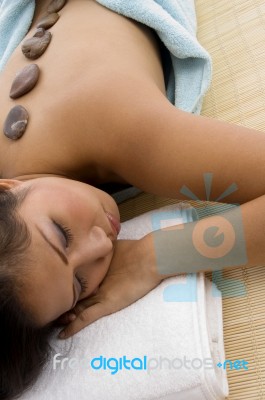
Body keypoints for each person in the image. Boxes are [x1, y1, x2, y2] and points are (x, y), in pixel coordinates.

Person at [1, 0, 265, 399]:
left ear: (7, 188)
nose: (101, 245)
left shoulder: (127, 133)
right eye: (77, 283)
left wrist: (153, 256)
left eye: (61, 233)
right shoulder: (21, 203)